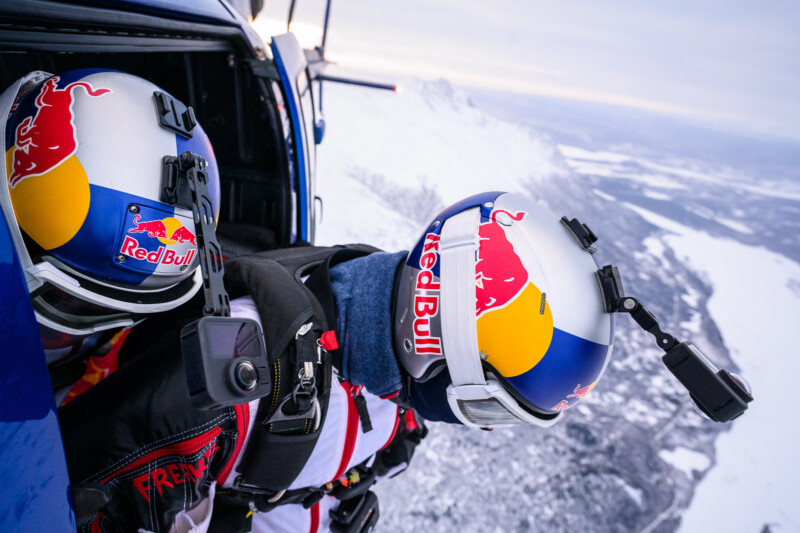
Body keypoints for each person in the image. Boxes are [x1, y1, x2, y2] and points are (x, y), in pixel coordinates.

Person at [1, 70, 614, 533]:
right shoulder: (234, 388)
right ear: (438, 342)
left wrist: (332, 500)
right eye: (485, 404)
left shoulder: (385, 372)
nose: (470, 420)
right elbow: (65, 501)